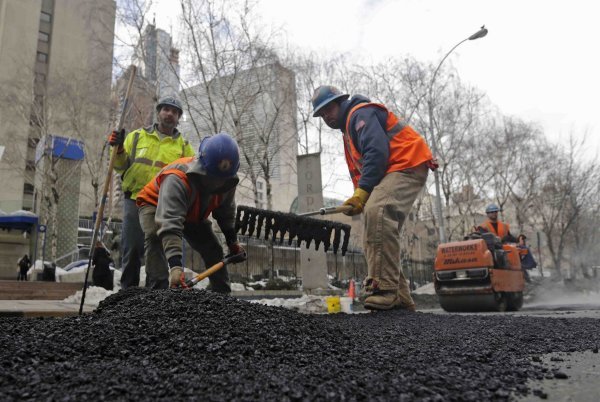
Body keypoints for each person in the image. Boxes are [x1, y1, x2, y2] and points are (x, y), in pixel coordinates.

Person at [311, 85, 436, 311]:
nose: (326, 117)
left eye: (328, 110)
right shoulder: (349, 131)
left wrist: (363, 193)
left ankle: (383, 289)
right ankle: (399, 297)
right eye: (321, 115)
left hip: (407, 163)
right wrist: (359, 199)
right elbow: (364, 172)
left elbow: (377, 153)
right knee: (373, 224)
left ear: (340, 102)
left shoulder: (360, 114)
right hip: (394, 170)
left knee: (378, 211)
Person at [136, 133, 246, 291]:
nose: (217, 185)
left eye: (222, 180)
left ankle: (221, 296)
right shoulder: (177, 179)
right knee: (155, 236)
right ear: (203, 169)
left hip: (192, 211)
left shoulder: (228, 181)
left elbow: (225, 214)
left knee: (213, 248)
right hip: (155, 204)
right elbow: (170, 224)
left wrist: (233, 242)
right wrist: (175, 267)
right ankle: (158, 291)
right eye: (213, 178)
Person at [108, 97, 195, 289]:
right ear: (158, 112)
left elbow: (189, 177)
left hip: (165, 203)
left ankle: (156, 294)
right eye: (166, 109)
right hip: (135, 198)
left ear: (179, 117)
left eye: (174, 111)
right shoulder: (137, 136)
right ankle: (127, 293)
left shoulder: (184, 146)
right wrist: (119, 149)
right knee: (132, 248)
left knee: (159, 249)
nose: (169, 113)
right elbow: (120, 167)